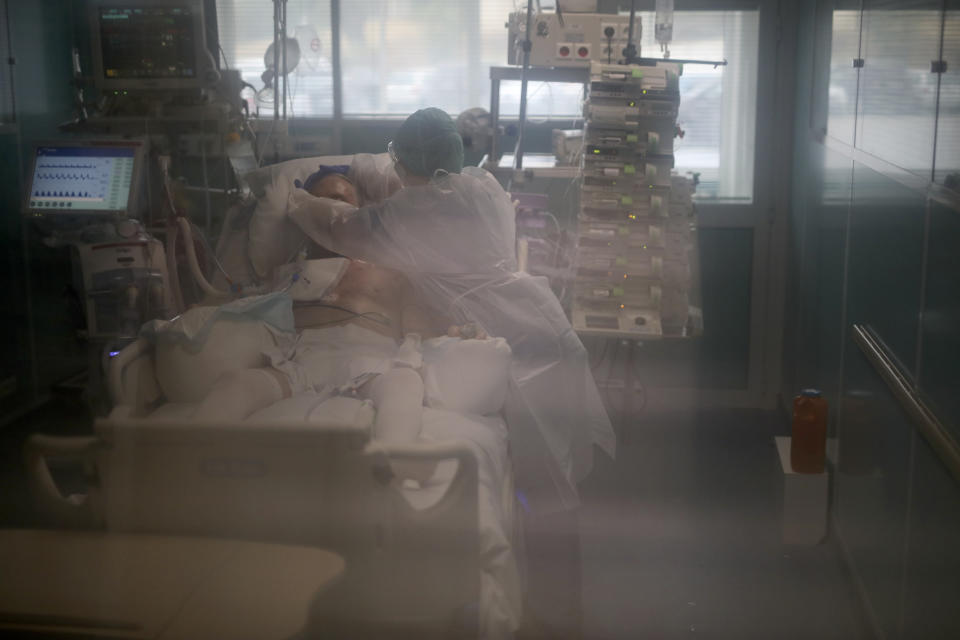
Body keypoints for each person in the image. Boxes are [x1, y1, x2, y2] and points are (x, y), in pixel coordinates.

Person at [286, 107, 615, 515]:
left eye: (400, 161)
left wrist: (299, 201)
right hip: (539, 321)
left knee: (541, 468)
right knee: (558, 469)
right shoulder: (484, 186)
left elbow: (343, 228)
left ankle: (550, 553)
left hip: (503, 332)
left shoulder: (408, 214)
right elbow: (416, 188)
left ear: (405, 162)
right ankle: (560, 562)